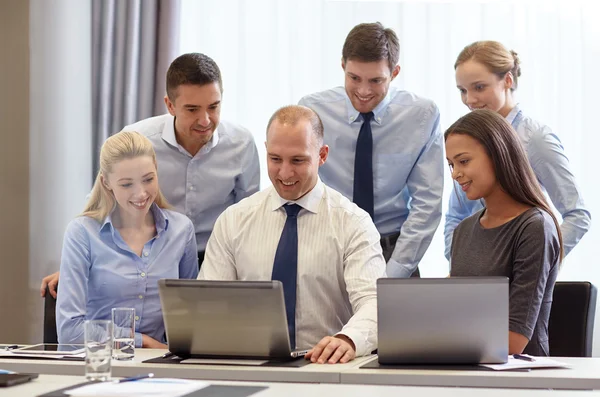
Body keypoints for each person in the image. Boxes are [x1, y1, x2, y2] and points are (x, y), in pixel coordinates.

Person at [41, 53, 260, 297]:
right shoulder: (137, 140)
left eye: (213, 106)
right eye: (192, 109)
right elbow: (103, 202)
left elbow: (248, 219)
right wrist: (78, 266)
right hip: (154, 259)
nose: (205, 120)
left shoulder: (242, 144)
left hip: (220, 261)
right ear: (170, 105)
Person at [199, 105, 386, 364]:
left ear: (322, 155)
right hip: (249, 365)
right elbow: (210, 304)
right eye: (275, 159)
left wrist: (348, 339)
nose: (285, 173)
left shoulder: (353, 223)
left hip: (326, 368)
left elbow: (375, 303)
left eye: (298, 160)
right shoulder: (234, 221)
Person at [299, 22, 443, 278]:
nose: (363, 91)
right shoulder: (313, 111)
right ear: (342, 65)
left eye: (376, 80)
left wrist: (394, 273)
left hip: (394, 251)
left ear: (395, 72)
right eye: (354, 78)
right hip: (329, 247)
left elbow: (427, 202)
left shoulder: (422, 115)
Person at [445, 40, 590, 260]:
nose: (469, 100)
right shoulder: (468, 137)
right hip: (476, 278)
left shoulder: (535, 139)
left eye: (479, 87)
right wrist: (460, 264)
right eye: (462, 90)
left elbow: (577, 215)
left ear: (508, 80)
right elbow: (456, 215)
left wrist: (535, 261)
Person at [56, 131, 199, 348]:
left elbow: (191, 317)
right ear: (106, 183)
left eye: (148, 179)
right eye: (126, 184)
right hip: (98, 365)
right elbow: (70, 331)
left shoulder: (181, 230)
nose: (140, 193)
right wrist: (143, 342)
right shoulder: (82, 233)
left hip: (159, 369)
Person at [446, 109, 562, 356]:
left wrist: (441, 340)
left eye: (463, 161)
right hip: (465, 370)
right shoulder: (464, 230)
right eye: (451, 164)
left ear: (498, 155)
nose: (455, 173)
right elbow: (452, 311)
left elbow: (514, 342)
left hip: (518, 380)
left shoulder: (534, 227)